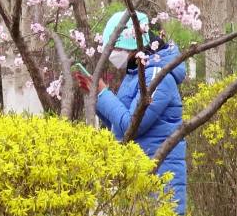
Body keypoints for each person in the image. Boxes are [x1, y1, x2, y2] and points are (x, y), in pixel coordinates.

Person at [74, 11, 187, 215]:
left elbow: (131, 126)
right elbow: (120, 130)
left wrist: (103, 93)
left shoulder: (157, 75)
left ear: (132, 44)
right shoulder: (136, 74)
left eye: (116, 47)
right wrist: (98, 98)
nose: (113, 54)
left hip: (159, 178)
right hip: (139, 175)